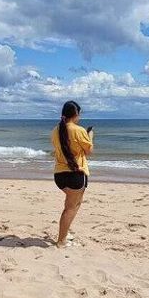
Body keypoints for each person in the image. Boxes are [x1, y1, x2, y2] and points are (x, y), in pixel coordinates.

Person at [51, 100, 93, 247]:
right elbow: (88, 151)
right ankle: (61, 241)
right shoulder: (79, 130)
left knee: (73, 205)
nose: (79, 117)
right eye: (79, 114)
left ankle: (64, 233)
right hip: (75, 174)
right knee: (70, 208)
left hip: (59, 175)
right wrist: (90, 136)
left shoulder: (56, 130)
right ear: (76, 114)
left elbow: (63, 148)